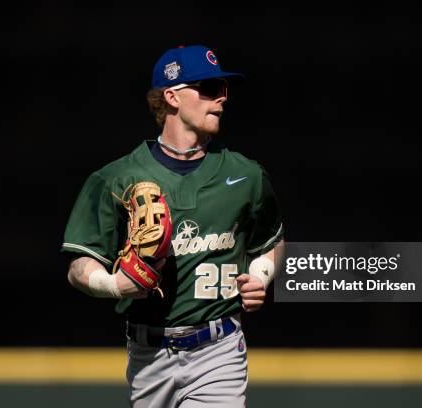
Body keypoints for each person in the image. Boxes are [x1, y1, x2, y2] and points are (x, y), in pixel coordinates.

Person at [62, 44, 284, 407]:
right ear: (172, 96)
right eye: (210, 89)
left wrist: (260, 274)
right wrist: (113, 284)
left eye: (225, 90)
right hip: (149, 356)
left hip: (219, 350)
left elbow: (271, 241)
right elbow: (78, 265)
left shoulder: (245, 176)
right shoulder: (116, 179)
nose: (222, 99)